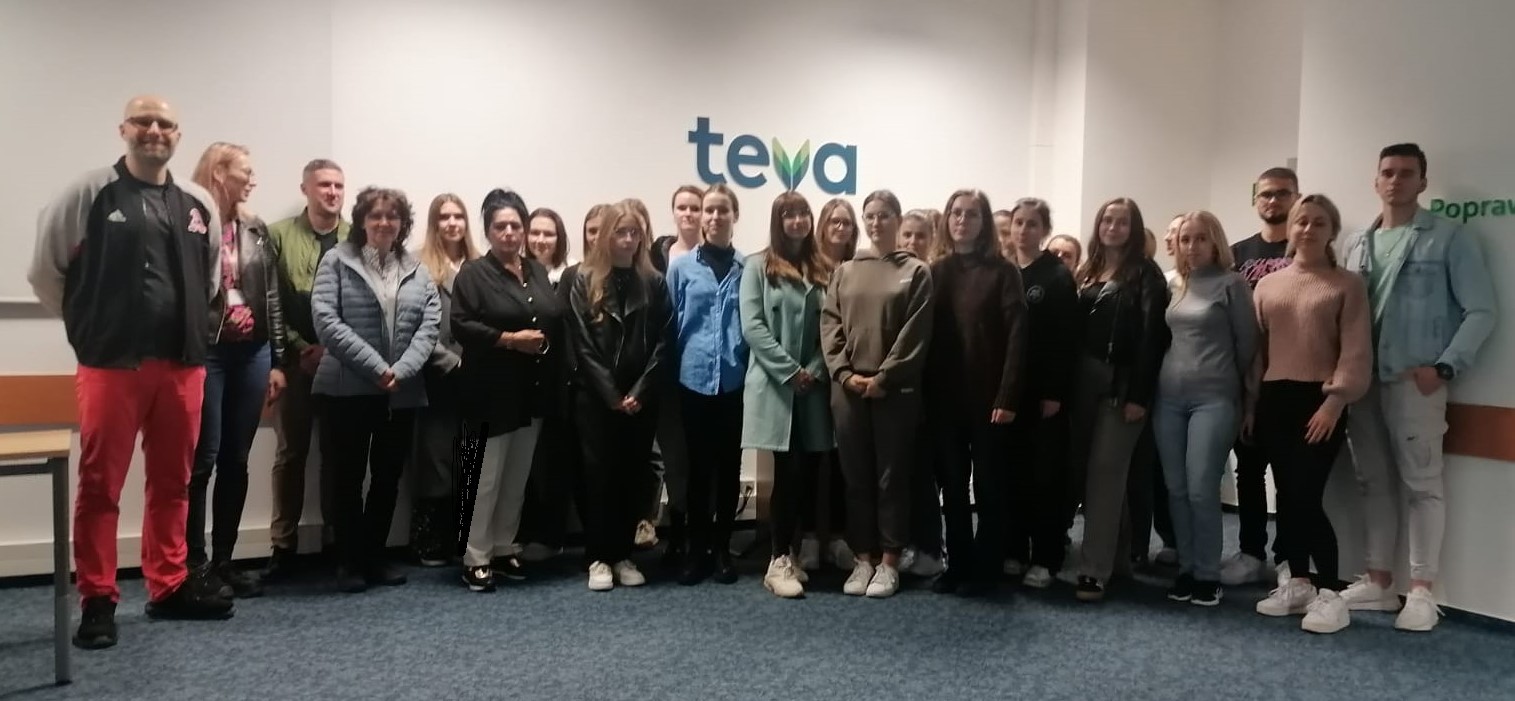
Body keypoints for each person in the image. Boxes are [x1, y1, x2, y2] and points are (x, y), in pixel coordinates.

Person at [28, 95, 235, 649]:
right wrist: (91, 325)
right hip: (112, 365)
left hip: (182, 365)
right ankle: (97, 599)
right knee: (100, 485)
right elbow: (46, 272)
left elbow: (210, 278)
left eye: (165, 123)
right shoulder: (88, 193)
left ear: (178, 134)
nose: (154, 130)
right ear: (124, 128)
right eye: (144, 121)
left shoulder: (197, 202)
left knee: (173, 483)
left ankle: (168, 586)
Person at [1338, 143, 1497, 632]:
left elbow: (1482, 311)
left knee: (1422, 485)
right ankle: (1380, 581)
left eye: (1407, 173)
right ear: (1376, 180)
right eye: (1388, 172)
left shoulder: (1448, 238)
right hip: (1362, 382)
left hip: (1414, 381)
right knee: (1373, 482)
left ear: (1423, 182)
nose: (1396, 180)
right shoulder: (1356, 243)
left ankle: (1423, 591)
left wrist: (1444, 367)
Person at [1250, 194, 1371, 634]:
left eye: (1319, 222)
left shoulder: (1347, 284)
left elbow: (1356, 351)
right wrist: (1250, 405)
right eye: (1302, 221)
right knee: (1286, 494)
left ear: (1331, 231)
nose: (1308, 229)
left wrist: (1335, 403)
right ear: (1291, 228)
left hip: (1319, 401)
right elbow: (1257, 353)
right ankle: (1298, 581)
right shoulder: (1267, 285)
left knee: (1305, 495)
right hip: (1274, 398)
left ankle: (1331, 595)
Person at [310, 186, 441, 593]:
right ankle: (349, 561)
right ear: (362, 221)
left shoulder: (416, 269)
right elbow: (326, 321)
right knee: (347, 478)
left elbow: (430, 325)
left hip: (401, 391)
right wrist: (376, 367)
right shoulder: (337, 260)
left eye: (393, 217)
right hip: (346, 389)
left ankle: (374, 556)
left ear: (403, 224)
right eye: (375, 216)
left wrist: (401, 370)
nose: (384, 223)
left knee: (387, 478)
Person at [451, 189, 568, 591]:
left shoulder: (535, 270)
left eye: (515, 225)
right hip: (489, 392)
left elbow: (551, 316)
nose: (509, 233)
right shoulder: (473, 274)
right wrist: (509, 340)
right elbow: (461, 325)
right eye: (500, 226)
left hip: (531, 391)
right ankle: (475, 557)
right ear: (487, 230)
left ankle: (503, 547)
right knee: (484, 479)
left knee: (517, 477)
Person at [186, 142, 287, 599]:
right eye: (245, 172)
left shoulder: (256, 227)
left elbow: (271, 297)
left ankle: (224, 561)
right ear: (219, 173)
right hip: (207, 353)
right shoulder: (191, 221)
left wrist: (278, 360)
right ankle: (193, 564)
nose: (253, 180)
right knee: (202, 459)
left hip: (252, 353)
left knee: (236, 459)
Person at [821, 189, 934, 599]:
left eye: (884, 215)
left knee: (892, 477)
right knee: (856, 477)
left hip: (895, 390)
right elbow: (830, 324)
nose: (875, 222)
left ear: (897, 219)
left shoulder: (916, 272)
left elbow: (916, 332)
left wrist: (885, 377)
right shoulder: (846, 270)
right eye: (869, 215)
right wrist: (844, 373)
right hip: (848, 390)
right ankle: (863, 558)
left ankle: (889, 561)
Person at [1066, 197, 1170, 602]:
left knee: (1105, 474)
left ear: (1134, 228)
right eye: (1107, 220)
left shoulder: (1146, 275)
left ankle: (1093, 570)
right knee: (1091, 473)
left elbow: (1152, 339)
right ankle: (1120, 559)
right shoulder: (1087, 270)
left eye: (1122, 221)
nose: (1113, 227)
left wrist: (1139, 395)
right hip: (1083, 381)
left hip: (1123, 385)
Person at [1152, 211, 1257, 607]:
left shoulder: (1233, 284)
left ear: (1215, 242)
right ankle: (1187, 568)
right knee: (1176, 488)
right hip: (1169, 399)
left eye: (1200, 238)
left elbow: (1248, 347)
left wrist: (1246, 400)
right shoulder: (1173, 285)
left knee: (1200, 488)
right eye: (1185, 239)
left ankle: (1208, 574)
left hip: (1214, 400)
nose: (1192, 246)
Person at [925, 190, 1027, 597]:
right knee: (952, 486)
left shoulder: (1004, 272)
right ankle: (958, 565)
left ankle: (987, 567)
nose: (962, 221)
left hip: (990, 400)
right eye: (956, 213)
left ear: (984, 223)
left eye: (971, 214)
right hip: (945, 399)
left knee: (988, 487)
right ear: (946, 220)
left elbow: (1018, 337)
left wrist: (1008, 395)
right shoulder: (936, 271)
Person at [568, 201, 672, 591]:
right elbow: (582, 343)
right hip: (596, 398)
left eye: (634, 233)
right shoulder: (584, 279)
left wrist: (639, 391)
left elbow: (664, 340)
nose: (628, 240)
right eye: (620, 232)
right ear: (607, 236)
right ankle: (598, 557)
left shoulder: (653, 281)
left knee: (632, 475)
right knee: (599, 478)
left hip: (640, 399)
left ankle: (623, 553)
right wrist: (611, 394)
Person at [739, 191, 836, 599]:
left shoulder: (824, 267)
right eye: (789, 215)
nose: (797, 221)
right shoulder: (757, 266)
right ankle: (777, 559)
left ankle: (791, 553)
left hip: (812, 386)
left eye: (803, 214)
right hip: (777, 386)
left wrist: (814, 369)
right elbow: (753, 326)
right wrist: (790, 371)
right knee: (787, 472)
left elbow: (833, 324)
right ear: (777, 221)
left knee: (808, 472)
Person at [265, 158, 349, 580]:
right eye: (323, 185)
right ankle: (283, 546)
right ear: (306, 189)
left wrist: (335, 349)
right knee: (291, 453)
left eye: (338, 186)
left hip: (345, 363)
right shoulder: (277, 235)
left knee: (338, 453)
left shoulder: (356, 237)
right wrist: (300, 349)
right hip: (295, 363)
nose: (332, 192)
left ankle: (338, 541)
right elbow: (272, 301)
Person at [1220, 167, 1300, 588]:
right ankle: (1250, 552)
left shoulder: (1306, 248)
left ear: (1296, 197)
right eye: (1266, 194)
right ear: (1256, 199)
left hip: (1292, 376)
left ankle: (1288, 556)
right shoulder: (1237, 253)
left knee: (1289, 474)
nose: (1273, 201)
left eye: (1282, 193)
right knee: (1248, 471)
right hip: (1246, 377)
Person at [669, 184, 750, 585]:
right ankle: (696, 549)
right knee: (697, 470)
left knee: (729, 468)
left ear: (735, 216)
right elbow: (671, 322)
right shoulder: (681, 268)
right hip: (693, 381)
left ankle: (721, 549)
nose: (715, 217)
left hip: (734, 382)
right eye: (709, 210)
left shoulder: (748, 269)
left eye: (722, 210)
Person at [998, 199, 1079, 589]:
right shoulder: (1004, 271)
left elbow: (1066, 341)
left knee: (1044, 477)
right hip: (1007, 392)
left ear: (1044, 230)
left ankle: (1046, 557)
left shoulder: (1056, 276)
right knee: (1011, 473)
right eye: (1018, 222)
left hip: (1043, 394)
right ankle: (1014, 549)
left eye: (1032, 224)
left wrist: (1054, 392)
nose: (1023, 230)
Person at [410, 193, 480, 567]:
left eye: (458, 216)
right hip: (437, 375)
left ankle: (463, 538)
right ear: (434, 223)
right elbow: (413, 326)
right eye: (444, 217)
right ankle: (431, 540)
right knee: (436, 459)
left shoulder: (481, 266)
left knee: (471, 457)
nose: (452, 223)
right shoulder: (418, 265)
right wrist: (451, 362)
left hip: (477, 376)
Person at [800, 197, 861, 572]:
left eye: (847, 223)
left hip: (847, 377)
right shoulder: (806, 268)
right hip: (811, 375)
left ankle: (838, 538)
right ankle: (808, 537)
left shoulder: (860, 268)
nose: (840, 228)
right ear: (821, 226)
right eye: (834, 221)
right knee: (810, 459)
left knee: (841, 462)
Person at [645, 186, 703, 563]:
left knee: (701, 457)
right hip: (666, 375)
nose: (689, 213)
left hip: (701, 374)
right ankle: (676, 529)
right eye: (682, 207)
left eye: (695, 207)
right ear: (673, 211)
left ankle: (698, 531)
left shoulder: (715, 257)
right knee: (673, 456)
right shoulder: (657, 258)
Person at [896, 209, 945, 579]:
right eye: (907, 235)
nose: (913, 242)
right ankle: (908, 543)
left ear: (932, 239)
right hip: (894, 390)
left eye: (920, 236)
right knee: (900, 474)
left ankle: (931, 548)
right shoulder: (891, 276)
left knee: (923, 474)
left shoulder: (936, 279)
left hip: (929, 393)